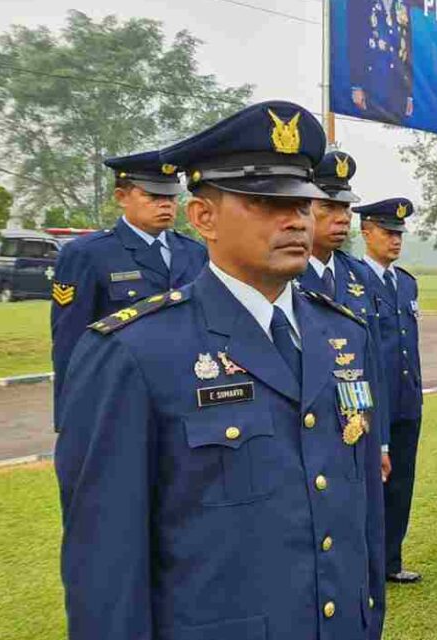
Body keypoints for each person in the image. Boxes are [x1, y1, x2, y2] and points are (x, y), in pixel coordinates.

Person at [54, 100, 386, 639]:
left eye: (303, 201)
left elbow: (362, 506)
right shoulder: (136, 351)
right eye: (264, 200)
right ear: (203, 217)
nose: (295, 218)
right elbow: (106, 560)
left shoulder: (344, 333)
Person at [50, 150, 208, 430]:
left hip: (188, 393)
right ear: (122, 197)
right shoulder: (88, 254)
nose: (166, 205)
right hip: (121, 394)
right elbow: (70, 341)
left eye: (170, 197)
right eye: (153, 196)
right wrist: (72, 416)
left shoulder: (195, 252)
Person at [356, 197, 424, 584]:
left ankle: (391, 560)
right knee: (371, 484)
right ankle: (367, 564)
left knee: (402, 483)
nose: (395, 240)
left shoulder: (406, 283)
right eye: (387, 232)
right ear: (366, 232)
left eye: (399, 233)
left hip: (405, 398)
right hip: (371, 402)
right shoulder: (354, 279)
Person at [297, 151, 378, 324]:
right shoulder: (281, 274)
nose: (342, 218)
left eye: (345, 207)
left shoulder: (360, 273)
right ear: (302, 207)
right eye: (328, 206)